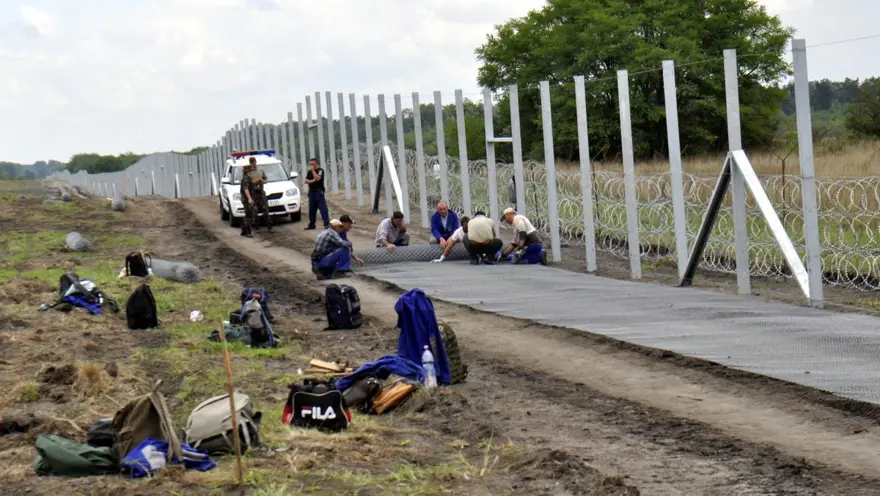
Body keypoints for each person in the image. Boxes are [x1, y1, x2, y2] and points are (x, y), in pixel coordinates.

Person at [304, 158, 330, 230]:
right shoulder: (309, 171)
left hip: (319, 192)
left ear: (316, 164)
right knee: (312, 210)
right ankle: (312, 224)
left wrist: (313, 171)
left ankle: (326, 223)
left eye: (313, 164)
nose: (311, 166)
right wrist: (312, 180)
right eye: (310, 164)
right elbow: (306, 181)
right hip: (311, 193)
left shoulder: (320, 170)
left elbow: (318, 178)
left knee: (323, 208)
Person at [248, 157, 272, 232]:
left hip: (261, 192)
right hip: (253, 193)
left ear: (256, 162)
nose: (253, 164)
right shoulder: (248, 172)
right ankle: (257, 226)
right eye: (251, 163)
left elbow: (266, 179)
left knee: (265, 209)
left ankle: (269, 226)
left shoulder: (260, 170)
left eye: (254, 162)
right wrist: (254, 182)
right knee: (255, 210)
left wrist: (262, 181)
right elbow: (247, 183)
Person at [239, 160, 256, 238]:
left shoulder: (248, 178)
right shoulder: (246, 179)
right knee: (249, 216)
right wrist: (249, 198)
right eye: (251, 170)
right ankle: (248, 232)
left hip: (247, 198)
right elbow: (246, 189)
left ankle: (243, 230)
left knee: (248, 215)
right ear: (248, 171)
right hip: (246, 199)